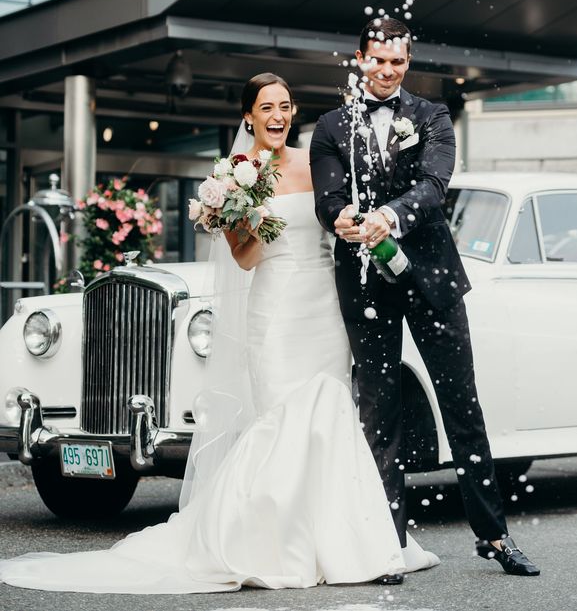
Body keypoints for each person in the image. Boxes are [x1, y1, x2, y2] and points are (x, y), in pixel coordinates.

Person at [0, 72, 438, 595]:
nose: (277, 115)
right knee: (282, 418)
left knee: (330, 412)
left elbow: (338, 218)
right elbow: (246, 259)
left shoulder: (317, 161)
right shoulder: (232, 175)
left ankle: (342, 540)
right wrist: (247, 213)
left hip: (324, 306)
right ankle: (273, 542)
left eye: (285, 105)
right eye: (266, 107)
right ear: (248, 115)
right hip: (275, 310)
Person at [310, 18, 540, 579]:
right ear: (360, 57)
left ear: (408, 63)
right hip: (367, 284)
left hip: (433, 281)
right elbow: (328, 197)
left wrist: (389, 216)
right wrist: (339, 216)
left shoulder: (432, 116)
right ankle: (387, 545)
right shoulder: (331, 125)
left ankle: (494, 536)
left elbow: (435, 187)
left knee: (462, 408)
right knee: (379, 415)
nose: (387, 72)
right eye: (378, 60)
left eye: (398, 63)